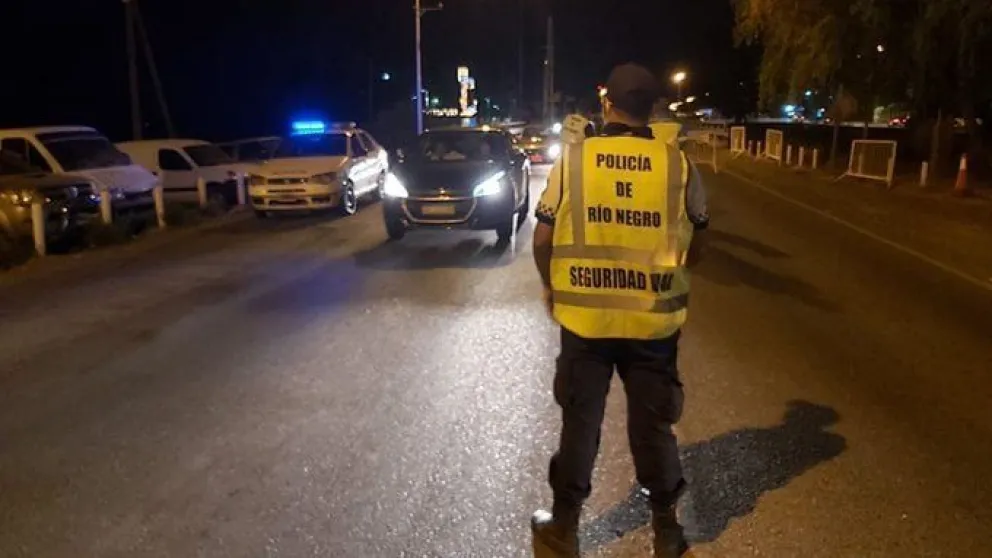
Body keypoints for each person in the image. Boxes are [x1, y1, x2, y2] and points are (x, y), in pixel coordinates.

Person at [530, 62, 709, 558]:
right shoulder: (678, 165)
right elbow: (698, 243)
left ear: (606, 104)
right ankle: (666, 531)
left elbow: (542, 239)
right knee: (653, 428)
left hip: (586, 322)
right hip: (652, 322)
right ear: (652, 108)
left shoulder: (575, 160)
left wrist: (552, 288)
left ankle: (564, 527)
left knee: (581, 423)